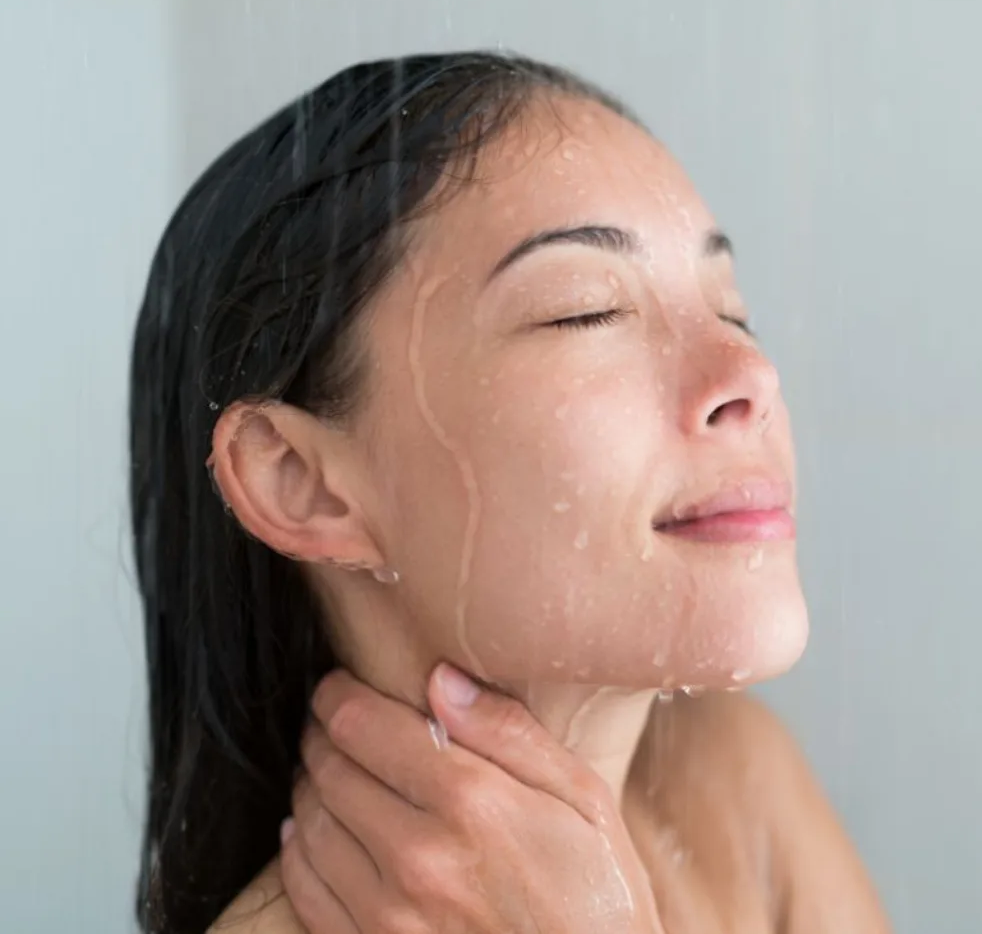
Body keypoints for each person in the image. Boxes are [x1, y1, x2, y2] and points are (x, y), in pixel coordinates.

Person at [129, 51, 890, 934]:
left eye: (731, 311)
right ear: (300, 482)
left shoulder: (732, 787)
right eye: (584, 308)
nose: (750, 372)